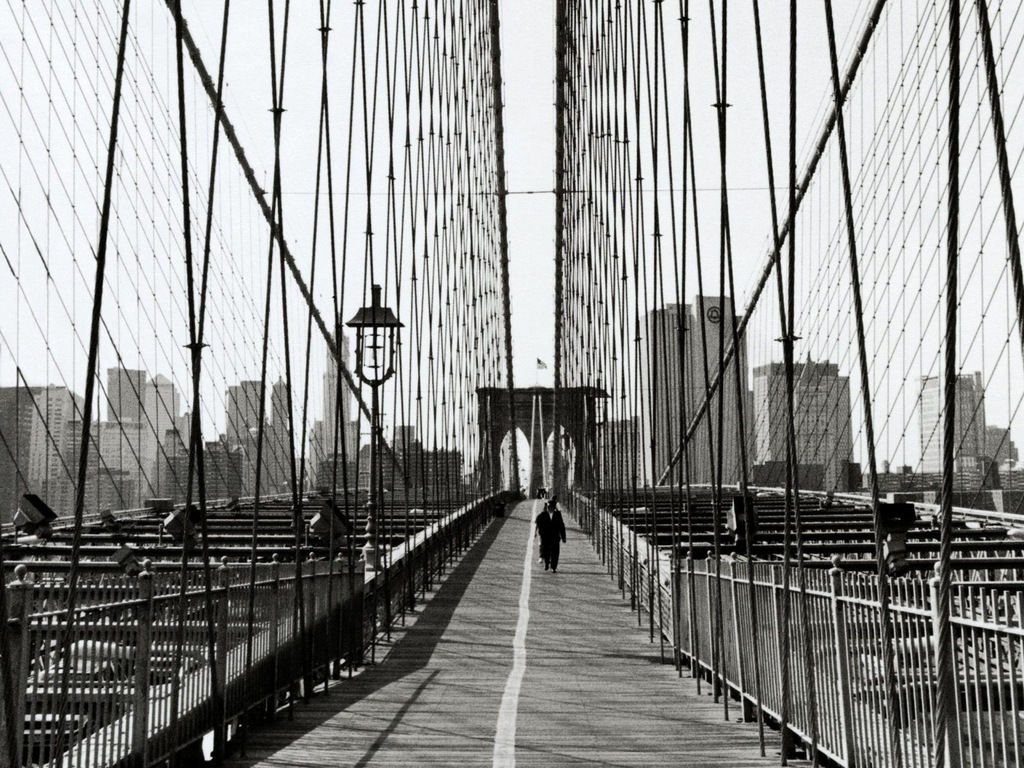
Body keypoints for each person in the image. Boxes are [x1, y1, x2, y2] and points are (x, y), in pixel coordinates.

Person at [538, 495, 567, 572]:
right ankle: (547, 563)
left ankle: (553, 567)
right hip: (546, 537)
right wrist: (541, 534)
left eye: (550, 507)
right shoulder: (543, 514)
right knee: (546, 551)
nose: (549, 508)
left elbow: (561, 526)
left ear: (553, 508)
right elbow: (540, 524)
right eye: (548, 507)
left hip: (555, 537)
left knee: (555, 552)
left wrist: (563, 537)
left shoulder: (557, 515)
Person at [535, 503, 552, 568]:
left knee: (544, 545)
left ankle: (544, 557)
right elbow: (537, 525)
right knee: (543, 545)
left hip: (545, 533)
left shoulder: (546, 516)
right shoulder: (542, 516)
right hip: (542, 533)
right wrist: (535, 532)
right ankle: (542, 557)